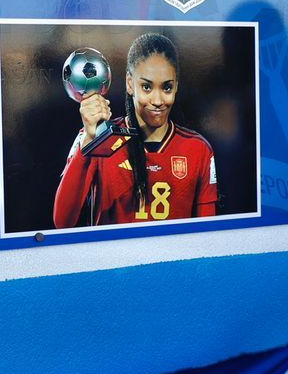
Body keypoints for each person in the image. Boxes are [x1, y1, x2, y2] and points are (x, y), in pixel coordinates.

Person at [53, 32, 217, 228]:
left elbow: (207, 233)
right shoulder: (96, 139)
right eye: (147, 87)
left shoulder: (198, 150)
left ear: (176, 87)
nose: (157, 101)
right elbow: (62, 222)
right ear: (130, 84)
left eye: (166, 88)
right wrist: (89, 139)